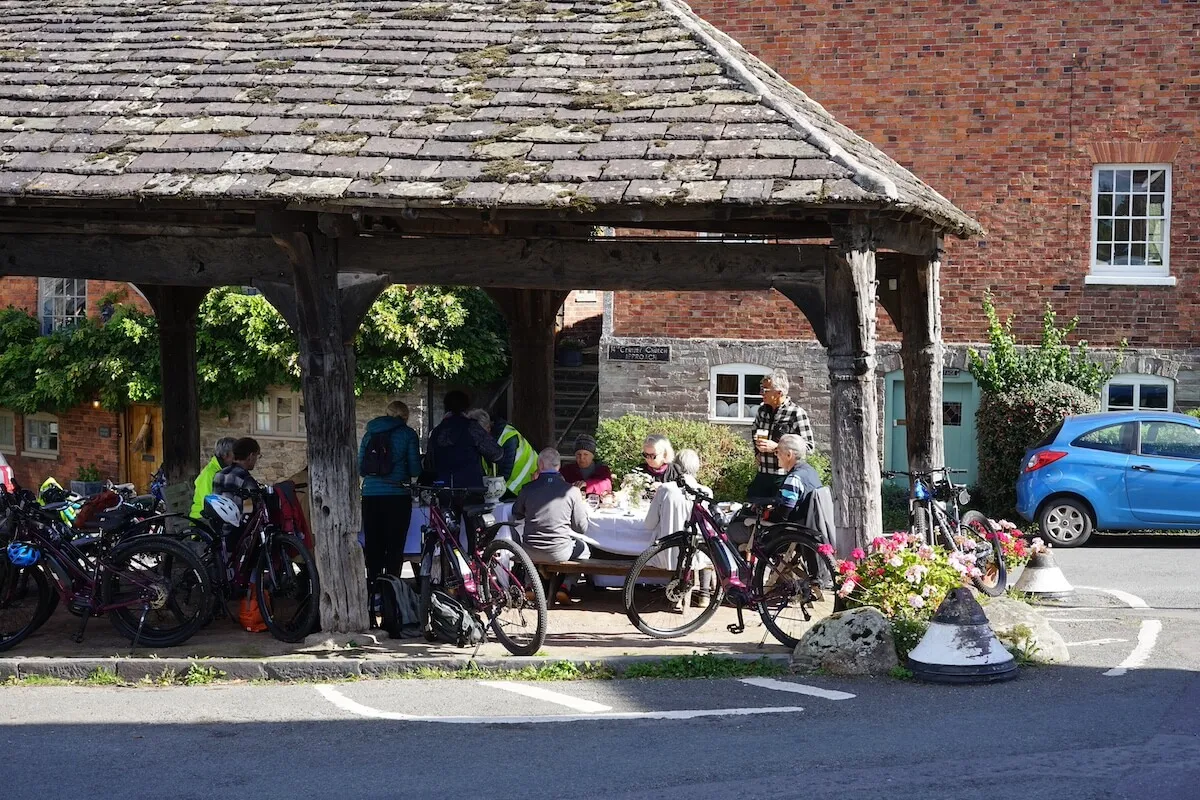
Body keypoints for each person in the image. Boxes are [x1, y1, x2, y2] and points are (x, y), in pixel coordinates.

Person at [513, 447, 591, 604]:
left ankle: (529, 585)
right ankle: (565, 586)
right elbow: (581, 528)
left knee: (525, 548)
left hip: (531, 550)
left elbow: (517, 513)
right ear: (559, 466)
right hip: (560, 551)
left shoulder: (527, 489)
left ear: (540, 465)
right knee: (585, 550)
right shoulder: (572, 491)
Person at [359, 400, 422, 591]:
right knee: (394, 546)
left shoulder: (369, 433)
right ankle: (391, 592)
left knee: (373, 545)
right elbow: (414, 469)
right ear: (404, 416)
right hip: (397, 496)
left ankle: (373, 589)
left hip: (370, 495)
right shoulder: (408, 434)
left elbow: (361, 468)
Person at [644, 449, 715, 608]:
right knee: (708, 552)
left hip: (664, 554)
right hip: (695, 555)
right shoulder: (705, 492)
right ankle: (704, 594)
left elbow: (649, 524)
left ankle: (676, 594)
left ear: (676, 466)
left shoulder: (665, 489)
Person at [747, 369, 816, 500]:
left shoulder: (796, 413)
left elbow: (809, 447)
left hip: (784, 476)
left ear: (779, 393)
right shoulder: (762, 411)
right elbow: (754, 431)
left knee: (778, 517)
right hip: (763, 474)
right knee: (751, 512)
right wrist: (757, 451)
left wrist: (776, 448)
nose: (762, 394)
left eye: (765, 390)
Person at [424, 391, 503, 488]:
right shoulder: (472, 427)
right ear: (466, 407)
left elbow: (428, 464)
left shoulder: (436, 432)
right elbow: (496, 454)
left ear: (445, 407)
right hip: (470, 488)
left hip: (444, 489)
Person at [465, 408, 537, 498]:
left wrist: (493, 492)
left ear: (487, 428)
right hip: (509, 487)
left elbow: (506, 469)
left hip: (524, 485)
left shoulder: (508, 436)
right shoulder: (483, 442)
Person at [767, 434, 823, 523]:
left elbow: (783, 516)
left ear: (789, 454)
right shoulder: (811, 472)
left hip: (792, 531)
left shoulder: (794, 479)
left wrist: (765, 513)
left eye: (778, 452)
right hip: (808, 528)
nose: (776, 455)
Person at [212, 437, 262, 524]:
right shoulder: (246, 479)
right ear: (251, 456)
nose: (256, 460)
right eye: (257, 455)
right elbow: (251, 507)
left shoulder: (219, 474)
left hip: (218, 526)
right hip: (237, 529)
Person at [190, 437, 236, 519]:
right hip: (202, 518)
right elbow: (207, 502)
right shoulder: (210, 473)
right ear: (225, 455)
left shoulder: (224, 470)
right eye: (235, 454)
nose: (237, 458)